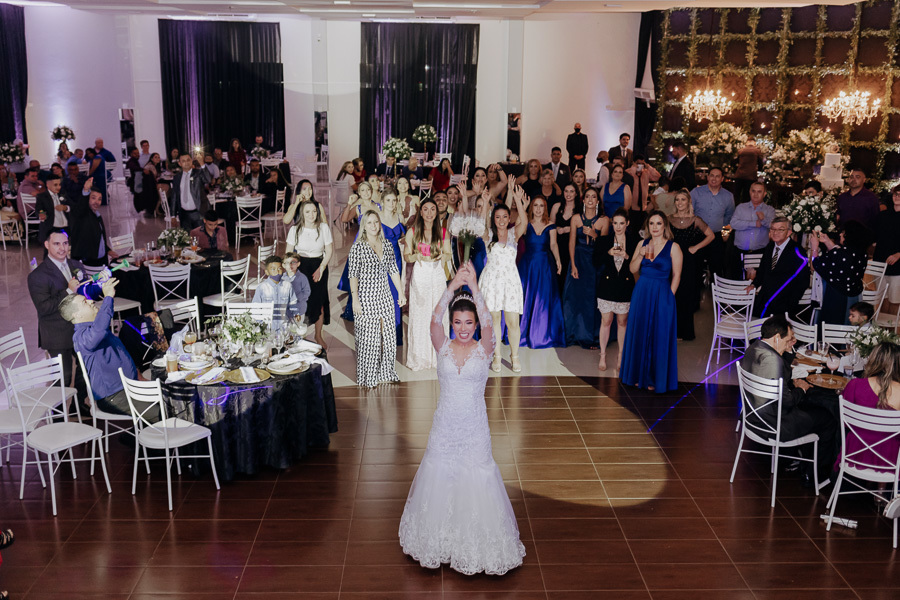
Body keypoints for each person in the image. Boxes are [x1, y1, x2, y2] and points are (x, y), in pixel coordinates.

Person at [399, 264, 526, 576]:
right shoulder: (442, 345)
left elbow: (488, 321)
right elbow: (432, 319)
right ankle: (440, 540)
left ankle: (475, 545)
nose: (464, 327)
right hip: (444, 427)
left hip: (473, 429)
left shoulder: (485, 349)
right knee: (439, 476)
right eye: (458, 322)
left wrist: (475, 289)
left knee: (477, 478)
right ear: (452, 323)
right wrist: (453, 286)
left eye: (469, 322)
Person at [740, 315, 839, 484]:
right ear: (777, 338)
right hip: (773, 423)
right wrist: (801, 388)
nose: (792, 342)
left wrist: (787, 350)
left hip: (751, 417)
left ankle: (800, 460)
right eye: (789, 339)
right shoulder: (773, 360)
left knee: (810, 409)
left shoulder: (754, 347)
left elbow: (780, 380)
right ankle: (815, 475)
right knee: (828, 419)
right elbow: (788, 402)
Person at [60, 278, 148, 419]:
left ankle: (138, 435)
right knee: (166, 409)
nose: (91, 301)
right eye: (85, 302)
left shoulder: (92, 328)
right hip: (114, 397)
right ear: (77, 315)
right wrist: (107, 297)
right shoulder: (82, 337)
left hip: (127, 388)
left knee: (170, 395)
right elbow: (100, 329)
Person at [620, 210, 682, 392]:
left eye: (659, 223)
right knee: (640, 332)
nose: (655, 227)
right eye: (652, 224)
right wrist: (639, 255)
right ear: (648, 226)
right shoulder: (642, 243)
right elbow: (632, 269)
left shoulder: (673, 247)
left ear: (665, 226)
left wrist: (669, 296)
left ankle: (656, 378)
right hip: (642, 291)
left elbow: (677, 275)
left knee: (659, 334)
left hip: (663, 292)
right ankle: (638, 376)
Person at [27, 230, 89, 403]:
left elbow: (87, 293)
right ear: (47, 245)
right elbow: (44, 307)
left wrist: (97, 285)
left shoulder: (77, 265)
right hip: (56, 332)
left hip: (79, 327)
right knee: (63, 375)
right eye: (57, 244)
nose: (62, 248)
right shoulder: (37, 276)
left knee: (85, 368)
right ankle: (56, 415)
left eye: (65, 243)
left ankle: (81, 405)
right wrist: (68, 291)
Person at [349, 210, 406, 387]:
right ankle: (369, 376)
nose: (374, 226)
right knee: (369, 339)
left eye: (376, 222)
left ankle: (387, 371)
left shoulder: (387, 244)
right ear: (364, 227)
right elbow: (353, 275)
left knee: (389, 336)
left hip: (385, 296)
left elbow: (393, 270)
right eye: (370, 223)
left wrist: (401, 292)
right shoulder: (358, 247)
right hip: (366, 296)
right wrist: (355, 299)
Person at [478, 186, 527, 372]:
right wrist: (484, 205)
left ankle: (514, 356)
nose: (501, 220)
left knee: (513, 321)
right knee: (495, 320)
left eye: (504, 217)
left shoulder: (515, 234)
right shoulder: (488, 235)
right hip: (492, 282)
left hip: (510, 281)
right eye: (497, 217)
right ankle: (497, 356)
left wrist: (518, 200)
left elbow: (524, 220)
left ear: (509, 218)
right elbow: (481, 225)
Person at [840, 342, 900, 470]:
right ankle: (881, 489)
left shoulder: (855, 384)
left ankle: (868, 484)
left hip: (856, 450)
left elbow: (845, 423)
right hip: (890, 457)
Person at [405, 199, 449, 370]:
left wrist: (442, 257)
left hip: (437, 274)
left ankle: (439, 356)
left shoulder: (443, 231)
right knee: (421, 315)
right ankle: (420, 357)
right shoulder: (413, 232)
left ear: (436, 213)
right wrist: (416, 256)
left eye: (432, 209)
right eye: (426, 209)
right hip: (421, 274)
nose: (429, 213)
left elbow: (448, 254)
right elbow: (407, 255)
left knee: (439, 315)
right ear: (421, 213)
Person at [594, 208, 638, 371]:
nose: (618, 227)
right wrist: (608, 253)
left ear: (627, 223)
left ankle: (621, 355)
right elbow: (596, 262)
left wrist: (626, 256)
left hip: (625, 286)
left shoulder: (634, 241)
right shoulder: (603, 241)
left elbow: (637, 265)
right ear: (612, 224)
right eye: (615, 223)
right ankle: (603, 355)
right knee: (606, 321)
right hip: (607, 286)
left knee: (622, 321)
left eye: (621, 223)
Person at [564, 186, 608, 348]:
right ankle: (574, 333)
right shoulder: (576, 218)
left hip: (595, 263)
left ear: (597, 201)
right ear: (583, 200)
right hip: (579, 260)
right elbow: (571, 242)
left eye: (593, 197)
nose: (590, 200)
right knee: (575, 298)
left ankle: (591, 334)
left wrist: (594, 235)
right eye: (587, 196)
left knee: (592, 299)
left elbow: (603, 247)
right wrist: (573, 265)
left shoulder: (604, 220)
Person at [519, 195, 565, 349]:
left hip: (545, 264)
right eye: (536, 205)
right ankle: (525, 333)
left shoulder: (551, 225)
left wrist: (558, 260)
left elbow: (553, 245)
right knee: (528, 296)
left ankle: (542, 334)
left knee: (544, 298)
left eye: (541, 206)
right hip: (529, 265)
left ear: (545, 208)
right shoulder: (526, 224)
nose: (538, 209)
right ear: (532, 207)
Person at [285, 201, 333, 348]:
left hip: (319, 266)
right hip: (301, 266)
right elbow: (289, 253)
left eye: (314, 211)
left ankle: (318, 335)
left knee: (319, 302)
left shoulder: (323, 227)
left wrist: (322, 267)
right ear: (302, 213)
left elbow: (329, 250)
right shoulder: (295, 229)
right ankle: (300, 335)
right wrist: (291, 271)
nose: (311, 215)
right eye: (307, 212)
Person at [669, 189, 714, 341]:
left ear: (688, 202)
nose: (680, 203)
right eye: (677, 200)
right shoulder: (669, 219)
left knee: (686, 295)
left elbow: (711, 236)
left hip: (688, 261)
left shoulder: (696, 220)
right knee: (672, 294)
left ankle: (686, 332)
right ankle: (673, 332)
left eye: (683, 199)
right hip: (672, 259)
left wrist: (696, 247)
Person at [747, 216, 809, 318]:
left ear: (789, 232)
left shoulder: (797, 251)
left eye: (780, 229)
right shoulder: (769, 247)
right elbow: (762, 270)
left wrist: (792, 302)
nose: (776, 233)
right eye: (773, 229)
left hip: (784, 302)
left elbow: (803, 281)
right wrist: (754, 284)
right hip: (765, 299)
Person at [810, 221, 871, 325]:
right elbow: (839, 256)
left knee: (834, 324)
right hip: (854, 296)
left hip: (836, 297)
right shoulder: (861, 253)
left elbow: (814, 266)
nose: (840, 234)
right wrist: (827, 241)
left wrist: (814, 247)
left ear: (850, 236)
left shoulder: (840, 254)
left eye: (843, 232)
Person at [691, 166, 734, 278]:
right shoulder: (696, 192)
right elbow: (689, 212)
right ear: (708, 177)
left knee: (717, 267)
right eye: (711, 175)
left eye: (717, 176)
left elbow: (729, 215)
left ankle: (716, 293)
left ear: (722, 179)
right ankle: (696, 293)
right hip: (697, 235)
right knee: (695, 267)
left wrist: (719, 224)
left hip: (716, 236)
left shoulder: (728, 196)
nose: (714, 179)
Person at [378, 190, 407, 345]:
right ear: (382, 202)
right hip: (381, 260)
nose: (391, 203)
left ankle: (394, 335)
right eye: (388, 200)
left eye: (394, 200)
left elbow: (403, 237)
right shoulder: (377, 218)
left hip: (396, 259)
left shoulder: (399, 217)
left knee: (396, 294)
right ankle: (381, 333)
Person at [730, 181, 776, 278]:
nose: (755, 194)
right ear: (749, 192)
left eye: (759, 192)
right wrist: (754, 223)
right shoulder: (741, 207)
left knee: (758, 282)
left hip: (760, 252)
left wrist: (763, 220)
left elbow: (773, 226)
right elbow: (733, 224)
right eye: (753, 191)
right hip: (740, 252)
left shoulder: (769, 210)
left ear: (765, 194)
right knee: (738, 279)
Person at [69, 187, 118, 267]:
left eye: (99, 199)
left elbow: (99, 238)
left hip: (101, 262)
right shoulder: (81, 215)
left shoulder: (97, 216)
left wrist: (108, 250)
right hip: (88, 264)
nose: (97, 202)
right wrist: (85, 190)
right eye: (93, 198)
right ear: (87, 198)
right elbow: (81, 207)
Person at [874, 184, 900, 322]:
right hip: (881, 261)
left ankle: (892, 333)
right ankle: (881, 331)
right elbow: (875, 236)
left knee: (895, 300)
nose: (897, 197)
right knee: (881, 298)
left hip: (898, 264)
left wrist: (898, 254)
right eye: (896, 194)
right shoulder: (883, 215)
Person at [252, 255, 300, 324]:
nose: (277, 272)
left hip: (284, 326)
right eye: (273, 269)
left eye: (279, 268)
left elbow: (293, 303)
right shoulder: (262, 288)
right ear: (267, 272)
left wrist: (296, 313)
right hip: (267, 327)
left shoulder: (288, 286)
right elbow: (256, 308)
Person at [170, 153, 212, 230]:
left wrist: (202, 163)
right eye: (183, 161)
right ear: (180, 163)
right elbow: (174, 196)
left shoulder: (198, 173)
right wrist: (173, 215)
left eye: (188, 160)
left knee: (201, 238)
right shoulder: (177, 177)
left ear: (192, 161)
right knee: (187, 239)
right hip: (184, 214)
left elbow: (208, 179)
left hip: (199, 213)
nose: (186, 162)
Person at [837, 167, 881, 231]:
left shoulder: (871, 198)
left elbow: (876, 220)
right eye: (851, 177)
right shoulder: (842, 197)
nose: (853, 180)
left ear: (864, 180)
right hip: (843, 236)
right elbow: (838, 217)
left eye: (857, 177)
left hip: (863, 237)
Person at [626, 154, 661, 233]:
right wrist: (634, 168)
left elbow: (658, 177)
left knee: (642, 231)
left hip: (643, 208)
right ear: (634, 163)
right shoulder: (629, 171)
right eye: (638, 163)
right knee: (632, 231)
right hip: (632, 208)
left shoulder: (646, 172)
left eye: (642, 164)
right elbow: (628, 178)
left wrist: (648, 166)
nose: (640, 165)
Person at [36, 174, 72, 244]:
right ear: (48, 185)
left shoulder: (63, 194)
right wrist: (42, 214)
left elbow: (72, 206)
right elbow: (39, 209)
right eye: (55, 185)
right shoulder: (42, 196)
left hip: (65, 226)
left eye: (59, 184)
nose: (58, 187)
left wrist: (65, 207)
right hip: (51, 227)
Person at [733, 137, 764, 204]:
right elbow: (760, 163)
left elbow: (734, 162)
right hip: (751, 176)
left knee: (736, 195)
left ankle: (735, 210)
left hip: (739, 175)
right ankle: (746, 211)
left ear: (747, 142)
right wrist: (759, 170)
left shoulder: (741, 151)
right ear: (754, 143)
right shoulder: (757, 151)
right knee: (747, 196)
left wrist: (736, 170)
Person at [282, 252, 311, 318]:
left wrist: (295, 298)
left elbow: (307, 292)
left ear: (298, 264)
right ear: (283, 265)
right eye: (287, 263)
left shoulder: (302, 278)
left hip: (298, 309)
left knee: (297, 327)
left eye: (293, 262)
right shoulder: (282, 278)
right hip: (285, 310)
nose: (290, 265)